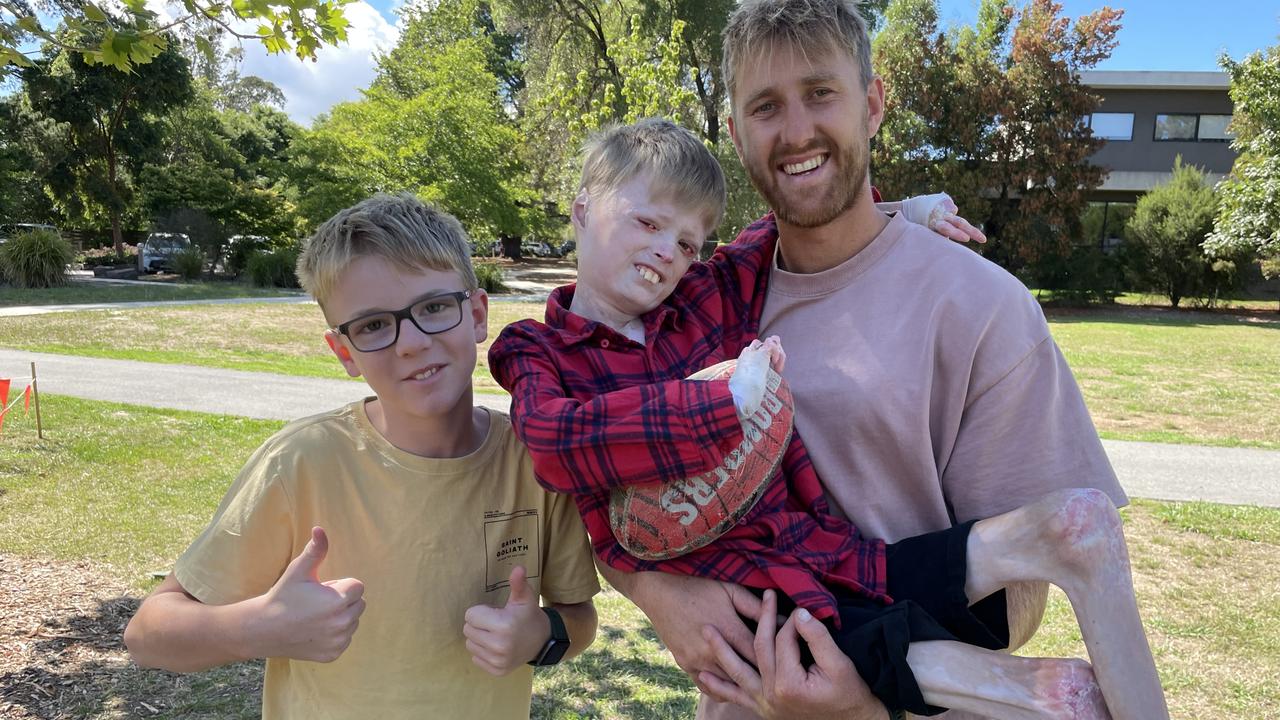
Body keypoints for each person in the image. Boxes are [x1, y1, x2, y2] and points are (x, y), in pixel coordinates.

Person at [489, 120, 1166, 718]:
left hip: (817, 545)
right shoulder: (535, 351)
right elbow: (555, 443)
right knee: (798, 648)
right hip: (744, 596)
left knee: (877, 595)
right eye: (647, 223)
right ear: (581, 208)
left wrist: (904, 212)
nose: (669, 251)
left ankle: (1059, 548)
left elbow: (786, 230)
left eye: (689, 242)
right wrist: (721, 400)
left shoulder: (702, 297)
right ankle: (1035, 692)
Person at [123, 194, 600, 719]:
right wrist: (257, 627)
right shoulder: (300, 463)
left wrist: (543, 634)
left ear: (477, 314)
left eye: (434, 307)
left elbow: (577, 613)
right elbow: (149, 633)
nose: (412, 343)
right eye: (373, 325)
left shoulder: (536, 460)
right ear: (344, 351)